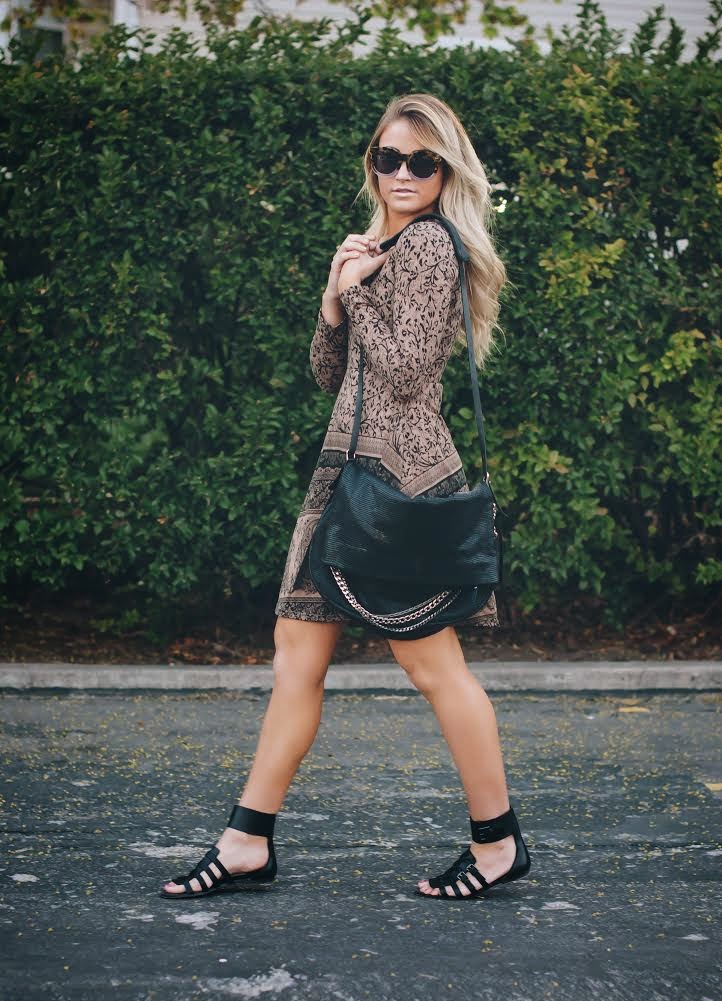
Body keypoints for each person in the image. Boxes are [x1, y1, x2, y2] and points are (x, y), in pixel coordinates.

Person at [159, 92, 531, 902]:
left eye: (422, 162)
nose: (403, 174)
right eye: (388, 158)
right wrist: (336, 296)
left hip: (398, 482)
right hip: (345, 476)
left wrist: (360, 288)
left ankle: (499, 843)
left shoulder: (428, 244)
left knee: (434, 668)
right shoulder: (382, 246)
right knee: (296, 654)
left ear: (446, 172)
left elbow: (404, 374)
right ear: (373, 163)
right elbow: (337, 376)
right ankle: (246, 839)